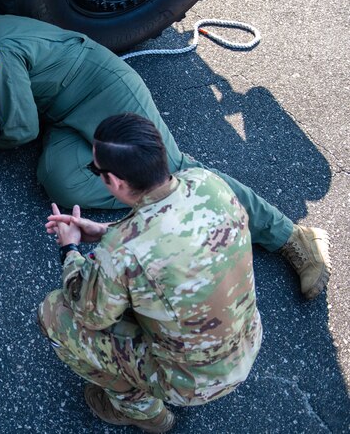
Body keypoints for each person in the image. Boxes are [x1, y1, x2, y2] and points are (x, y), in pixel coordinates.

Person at [0, 9, 330, 299]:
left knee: (169, 170)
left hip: (106, 91)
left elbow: (21, 129)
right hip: (66, 107)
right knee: (57, 179)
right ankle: (154, 203)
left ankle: (291, 237)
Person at [38, 113, 262, 432]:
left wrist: (70, 249)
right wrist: (105, 231)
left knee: (53, 312)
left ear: (114, 181)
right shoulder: (207, 182)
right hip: (246, 339)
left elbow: (91, 315)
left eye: (95, 171)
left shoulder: (121, 252)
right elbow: (168, 228)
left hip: (190, 384)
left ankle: (141, 411)